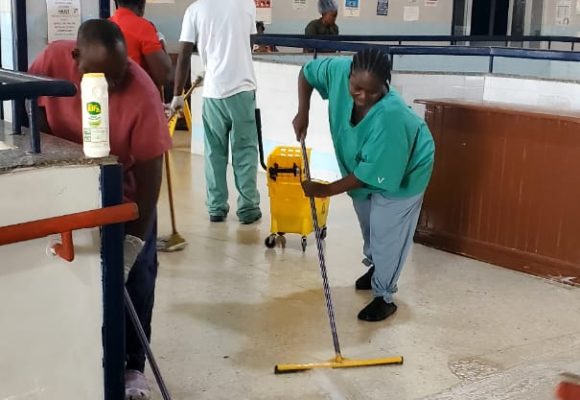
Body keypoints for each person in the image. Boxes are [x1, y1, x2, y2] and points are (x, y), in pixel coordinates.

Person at [28, 19, 172, 399]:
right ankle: (80, 358)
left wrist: (134, 241)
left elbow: (149, 178)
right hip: (70, 192)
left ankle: (133, 367)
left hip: (125, 198)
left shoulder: (140, 92)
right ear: (75, 58)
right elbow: (36, 110)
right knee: (76, 279)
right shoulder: (51, 61)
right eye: (101, 77)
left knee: (137, 278)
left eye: (118, 74)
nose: (110, 87)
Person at [293, 48, 435, 322]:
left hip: (407, 169)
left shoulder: (390, 116)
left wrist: (323, 190)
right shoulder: (337, 71)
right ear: (349, 76)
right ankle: (376, 268)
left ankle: (385, 295)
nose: (363, 98)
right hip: (363, 164)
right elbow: (306, 73)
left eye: (373, 92)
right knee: (369, 223)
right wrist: (303, 111)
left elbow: (367, 177)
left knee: (387, 233)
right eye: (356, 88)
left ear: (387, 84)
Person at [171, 0, 261, 224]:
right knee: (245, 152)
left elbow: (183, 54)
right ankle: (248, 209)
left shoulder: (194, 9)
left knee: (214, 153)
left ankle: (217, 208)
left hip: (213, 92)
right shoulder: (247, 4)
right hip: (243, 89)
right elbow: (249, 46)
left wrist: (178, 95)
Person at [110, 0, 172, 87]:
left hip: (107, 97)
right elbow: (164, 75)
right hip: (137, 95)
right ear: (142, 4)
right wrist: (161, 43)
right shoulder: (143, 27)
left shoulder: (104, 26)